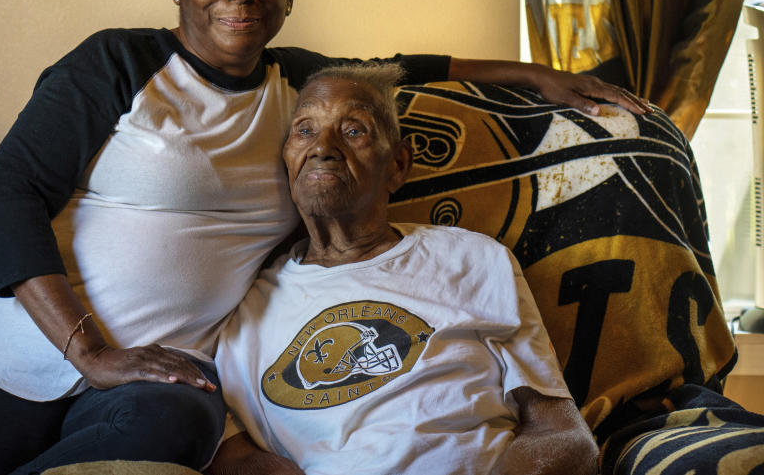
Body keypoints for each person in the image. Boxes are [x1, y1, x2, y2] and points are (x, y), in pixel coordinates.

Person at [0, 0, 640, 475]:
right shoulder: (117, 64)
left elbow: (405, 68)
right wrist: (89, 351)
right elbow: (8, 195)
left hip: (161, 378)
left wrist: (540, 75)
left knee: (187, 422)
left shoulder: (299, 90)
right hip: (23, 348)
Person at [212, 63, 600, 475]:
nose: (322, 146)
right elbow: (233, 456)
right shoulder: (246, 311)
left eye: (353, 130)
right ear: (287, 158)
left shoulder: (472, 259)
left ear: (397, 165)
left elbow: (562, 435)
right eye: (305, 129)